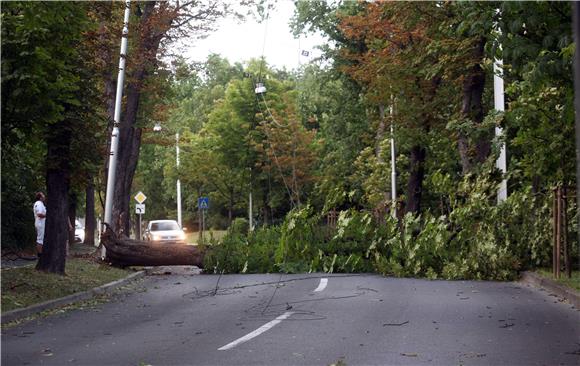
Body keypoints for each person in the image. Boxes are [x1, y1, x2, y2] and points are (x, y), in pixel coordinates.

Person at [33, 192, 46, 258]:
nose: (44, 196)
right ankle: (40, 255)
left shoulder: (40, 204)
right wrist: (48, 215)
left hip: (40, 223)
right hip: (40, 223)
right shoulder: (39, 203)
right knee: (40, 239)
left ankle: (41, 254)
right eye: (43, 195)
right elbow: (39, 214)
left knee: (41, 239)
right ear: (40, 197)